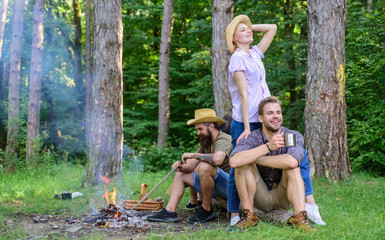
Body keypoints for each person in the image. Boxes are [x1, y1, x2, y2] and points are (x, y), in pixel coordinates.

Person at [225, 14, 325, 226]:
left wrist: (248, 25)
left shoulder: (254, 54)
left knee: (300, 155)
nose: (248, 32)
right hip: (246, 120)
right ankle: (236, 214)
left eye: (248, 29)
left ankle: (309, 205)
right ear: (234, 38)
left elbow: (272, 27)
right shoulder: (237, 58)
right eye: (242, 31)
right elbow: (243, 95)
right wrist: (244, 126)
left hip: (264, 117)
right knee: (239, 163)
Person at [230, 96, 316, 232]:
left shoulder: (291, 136)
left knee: (292, 168)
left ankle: (300, 218)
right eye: (270, 113)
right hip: (260, 196)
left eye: (278, 112)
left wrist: (255, 157)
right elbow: (234, 161)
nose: (275, 116)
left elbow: (292, 161)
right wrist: (268, 147)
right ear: (260, 118)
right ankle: (249, 217)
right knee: (243, 165)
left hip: (284, 195)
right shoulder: (253, 137)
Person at [146, 109, 232, 224]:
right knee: (181, 174)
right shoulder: (206, 141)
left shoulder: (224, 139)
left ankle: (206, 209)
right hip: (214, 187)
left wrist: (193, 155)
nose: (198, 133)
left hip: (229, 188)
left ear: (211, 126)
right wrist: (181, 167)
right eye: (197, 130)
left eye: (200, 129)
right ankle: (169, 211)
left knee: (205, 166)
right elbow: (192, 165)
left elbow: (217, 159)